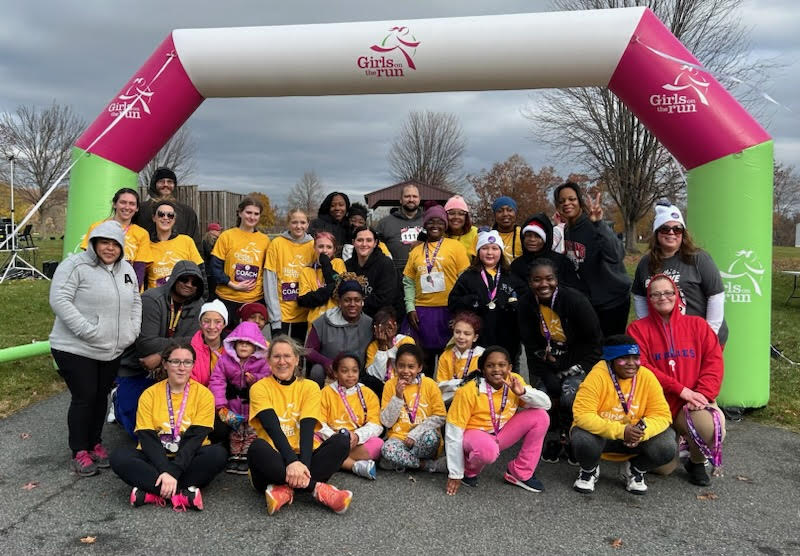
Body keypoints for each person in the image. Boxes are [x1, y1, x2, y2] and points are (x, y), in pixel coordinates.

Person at [50, 220, 142, 476]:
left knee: (101, 395)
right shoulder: (75, 266)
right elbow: (59, 299)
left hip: (111, 347)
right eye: (104, 242)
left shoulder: (127, 270)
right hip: (75, 347)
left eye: (115, 244)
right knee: (85, 396)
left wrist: (131, 332)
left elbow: (136, 301)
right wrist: (86, 329)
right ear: (94, 243)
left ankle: (95, 442)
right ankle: (79, 449)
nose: (109, 248)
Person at [627, 274, 725, 486]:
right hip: (655, 406)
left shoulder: (698, 325)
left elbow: (714, 363)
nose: (663, 297)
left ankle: (696, 461)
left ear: (677, 295)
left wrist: (702, 395)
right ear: (649, 299)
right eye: (656, 294)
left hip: (690, 403)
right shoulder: (637, 329)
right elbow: (640, 366)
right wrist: (680, 389)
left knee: (708, 426)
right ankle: (675, 443)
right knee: (662, 467)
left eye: (668, 292)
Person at [110, 343, 227, 510]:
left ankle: (151, 492)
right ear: (165, 364)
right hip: (155, 457)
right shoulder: (149, 394)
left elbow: (195, 438)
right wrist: (166, 470)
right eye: (175, 362)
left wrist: (173, 471)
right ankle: (182, 494)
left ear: (193, 365)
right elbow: (147, 437)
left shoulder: (204, 395)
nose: (181, 368)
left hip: (189, 457)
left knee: (217, 454)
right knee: (119, 457)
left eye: (187, 362)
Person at [247, 336, 353, 515]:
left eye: (287, 356)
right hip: (274, 460)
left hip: (305, 458)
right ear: (268, 361)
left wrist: (300, 465)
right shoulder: (259, 388)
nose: (282, 362)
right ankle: (317, 489)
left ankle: (285, 490)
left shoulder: (310, 387)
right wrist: (292, 462)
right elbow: (273, 429)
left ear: (296, 359)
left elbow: (307, 429)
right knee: (257, 448)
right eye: (276, 357)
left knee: (342, 441)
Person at [518, 258, 603, 464]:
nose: (543, 284)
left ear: (557, 279)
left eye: (549, 278)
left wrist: (565, 366)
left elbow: (594, 342)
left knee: (569, 397)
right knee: (541, 398)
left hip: (579, 362)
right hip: (548, 363)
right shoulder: (526, 303)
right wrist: (548, 375)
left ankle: (575, 437)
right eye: (537, 280)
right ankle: (552, 438)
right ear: (530, 282)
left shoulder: (575, 301)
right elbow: (531, 346)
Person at [570, 335, 675, 495]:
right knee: (582, 438)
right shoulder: (597, 376)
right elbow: (582, 415)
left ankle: (634, 469)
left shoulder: (647, 376)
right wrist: (621, 431)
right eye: (624, 358)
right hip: (603, 437)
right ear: (611, 359)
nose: (632, 364)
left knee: (667, 445)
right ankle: (589, 470)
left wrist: (642, 432)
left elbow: (662, 415)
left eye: (636, 358)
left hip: (634, 439)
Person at [115, 261, 206, 439]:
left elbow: (195, 342)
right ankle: (117, 400)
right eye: (184, 279)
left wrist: (160, 356)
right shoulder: (151, 299)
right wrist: (172, 348)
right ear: (173, 279)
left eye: (195, 282)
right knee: (138, 429)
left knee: (173, 426)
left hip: (173, 368)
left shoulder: (198, 304)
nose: (189, 284)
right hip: (139, 366)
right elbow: (146, 344)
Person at [445, 346, 551, 495]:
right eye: (490, 365)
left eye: (502, 365)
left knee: (541, 417)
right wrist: (455, 473)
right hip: (474, 436)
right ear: (482, 369)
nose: (496, 369)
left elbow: (546, 404)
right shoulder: (469, 390)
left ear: (510, 367)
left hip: (500, 433)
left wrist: (523, 393)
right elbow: (453, 431)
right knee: (488, 450)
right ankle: (468, 469)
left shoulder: (514, 381)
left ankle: (520, 472)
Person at [632, 203, 728, 344]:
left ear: (683, 234)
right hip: (665, 339)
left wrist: (709, 334)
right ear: (656, 233)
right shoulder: (646, 263)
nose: (671, 233)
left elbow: (716, 296)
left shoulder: (699, 258)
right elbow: (639, 297)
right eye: (665, 229)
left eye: (677, 229)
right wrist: (648, 329)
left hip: (701, 337)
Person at [554, 182, 631, 337]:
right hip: (590, 303)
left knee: (610, 352)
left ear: (579, 201)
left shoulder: (593, 224)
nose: (567, 203)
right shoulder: (568, 229)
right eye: (562, 201)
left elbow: (616, 255)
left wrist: (598, 223)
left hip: (612, 301)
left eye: (571, 199)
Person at [402, 205, 470, 374]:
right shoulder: (416, 251)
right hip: (421, 313)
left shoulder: (456, 247)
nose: (435, 225)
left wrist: (461, 313)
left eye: (440, 221)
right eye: (431, 221)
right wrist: (410, 308)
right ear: (425, 224)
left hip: (448, 311)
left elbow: (465, 281)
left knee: (448, 363)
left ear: (445, 225)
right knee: (422, 363)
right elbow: (408, 282)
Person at [448, 230, 527, 362]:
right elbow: (453, 303)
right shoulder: (468, 276)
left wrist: (516, 305)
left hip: (507, 337)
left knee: (506, 372)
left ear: (501, 252)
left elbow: (526, 301)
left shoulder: (511, 276)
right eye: (484, 248)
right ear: (478, 252)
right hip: (478, 338)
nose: (490, 253)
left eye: (494, 248)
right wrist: (470, 301)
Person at [208, 321, 272, 474]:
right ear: (234, 343)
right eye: (240, 343)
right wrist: (220, 405)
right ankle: (235, 455)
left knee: (251, 431)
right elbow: (217, 381)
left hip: (252, 407)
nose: (243, 346)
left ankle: (247, 456)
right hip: (231, 405)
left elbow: (268, 380)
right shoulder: (224, 360)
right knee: (235, 431)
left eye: (248, 344)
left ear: (255, 346)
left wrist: (255, 380)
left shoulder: (262, 362)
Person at [379, 344, 447, 472]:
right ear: (395, 366)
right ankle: (428, 465)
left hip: (422, 438)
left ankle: (399, 462)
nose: (405, 371)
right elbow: (386, 422)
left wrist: (415, 434)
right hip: (398, 439)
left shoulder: (430, 384)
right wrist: (398, 397)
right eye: (401, 366)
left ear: (419, 367)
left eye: (411, 367)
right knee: (387, 449)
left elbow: (440, 416)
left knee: (431, 438)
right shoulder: (390, 385)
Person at [319, 353, 384, 480]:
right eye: (344, 371)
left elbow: (376, 424)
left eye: (354, 370)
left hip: (355, 442)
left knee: (378, 444)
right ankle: (354, 465)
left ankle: (328, 460)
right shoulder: (325, 393)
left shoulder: (368, 393)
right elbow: (319, 423)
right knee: (310, 438)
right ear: (336, 373)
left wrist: (358, 436)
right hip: (330, 438)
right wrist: (336, 439)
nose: (350, 375)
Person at [210, 197, 271, 327]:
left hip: (254, 300)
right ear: (240, 213)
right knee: (227, 340)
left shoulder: (265, 240)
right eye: (248, 212)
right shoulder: (227, 236)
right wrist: (232, 285)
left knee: (248, 343)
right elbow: (215, 267)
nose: (252, 217)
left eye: (256, 214)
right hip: (227, 298)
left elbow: (267, 271)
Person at [305, 275, 373, 387]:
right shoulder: (323, 322)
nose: (352, 304)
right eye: (347, 300)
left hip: (358, 375)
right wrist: (326, 362)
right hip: (331, 374)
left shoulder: (369, 324)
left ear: (362, 302)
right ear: (339, 302)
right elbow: (308, 350)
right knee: (316, 371)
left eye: (357, 300)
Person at [80, 187, 152, 289]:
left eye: (132, 204)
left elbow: (139, 269)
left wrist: (133, 292)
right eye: (123, 202)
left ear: (137, 208)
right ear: (114, 204)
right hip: (98, 286)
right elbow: (88, 260)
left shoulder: (142, 233)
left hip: (127, 288)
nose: (127, 207)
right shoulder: (97, 227)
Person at [263, 209, 315, 342]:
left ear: (308, 224)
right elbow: (269, 279)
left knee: (297, 355)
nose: (299, 226)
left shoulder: (313, 245)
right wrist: (274, 314)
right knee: (279, 355)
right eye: (294, 222)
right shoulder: (277, 244)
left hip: (303, 312)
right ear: (288, 224)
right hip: (281, 312)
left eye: (303, 222)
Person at [509, 213, 583, 294]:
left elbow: (573, 291)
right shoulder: (516, 266)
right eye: (528, 235)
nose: (532, 239)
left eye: (537, 236)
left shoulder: (562, 262)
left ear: (545, 239)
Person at [146, 200, 205, 290]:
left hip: (183, 299)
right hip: (155, 299)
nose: (166, 218)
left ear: (174, 219)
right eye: (161, 214)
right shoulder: (146, 244)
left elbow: (200, 272)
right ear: (154, 218)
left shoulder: (186, 241)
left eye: (170, 215)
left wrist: (201, 299)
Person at [136, 167, 201, 247]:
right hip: (148, 256)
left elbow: (196, 243)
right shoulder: (141, 209)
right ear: (154, 184)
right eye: (161, 181)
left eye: (169, 182)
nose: (165, 185)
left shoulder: (187, 212)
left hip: (179, 256)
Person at [345, 226, 401, 318]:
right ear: (353, 242)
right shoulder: (347, 265)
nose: (364, 244)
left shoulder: (385, 264)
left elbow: (385, 299)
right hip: (352, 316)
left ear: (375, 243)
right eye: (360, 240)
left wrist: (356, 302)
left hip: (379, 317)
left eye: (369, 240)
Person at [363, 307, 415, 398]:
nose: (385, 332)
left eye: (389, 327)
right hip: (383, 388)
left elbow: (405, 367)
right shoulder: (373, 347)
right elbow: (377, 376)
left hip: (406, 384)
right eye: (381, 329)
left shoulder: (406, 340)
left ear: (396, 327)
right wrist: (382, 347)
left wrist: (390, 344)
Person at [297, 232, 347, 326]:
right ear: (314, 248)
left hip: (336, 322)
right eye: (320, 246)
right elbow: (304, 300)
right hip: (314, 323)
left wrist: (326, 264)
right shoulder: (307, 271)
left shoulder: (338, 263)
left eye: (329, 247)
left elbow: (339, 290)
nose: (324, 250)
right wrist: (329, 289)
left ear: (334, 250)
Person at [435, 312, 484, 405]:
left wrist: (454, 385)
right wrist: (463, 383)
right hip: (448, 402)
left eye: (467, 334)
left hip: (474, 402)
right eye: (457, 332)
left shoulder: (482, 356)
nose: (461, 337)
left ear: (475, 337)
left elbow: (481, 386)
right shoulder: (446, 355)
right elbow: (440, 385)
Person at [375, 183, 424, 274]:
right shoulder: (385, 223)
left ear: (419, 199)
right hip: (394, 276)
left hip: (423, 274)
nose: (411, 199)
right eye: (407, 196)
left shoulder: (428, 222)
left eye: (414, 196)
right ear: (401, 200)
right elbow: (376, 250)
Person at [189, 299, 228, 387]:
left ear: (224, 324)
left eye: (218, 322)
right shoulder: (189, 349)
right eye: (206, 321)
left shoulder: (232, 350)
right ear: (200, 323)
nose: (211, 326)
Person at [491, 196, 523, 264]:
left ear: (515, 213)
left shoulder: (523, 235)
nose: (505, 214)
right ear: (494, 215)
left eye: (510, 210)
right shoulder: (488, 236)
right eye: (500, 211)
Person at [201, 222, 222, 300]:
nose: (219, 232)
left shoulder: (212, 240)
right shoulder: (207, 241)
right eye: (218, 230)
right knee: (211, 292)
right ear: (212, 231)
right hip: (209, 271)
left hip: (211, 270)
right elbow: (211, 254)